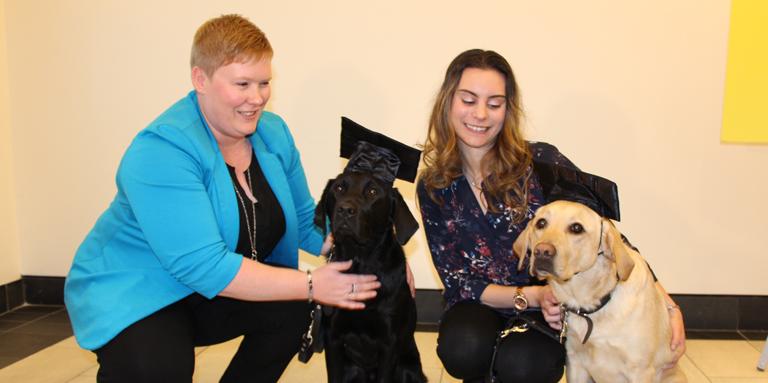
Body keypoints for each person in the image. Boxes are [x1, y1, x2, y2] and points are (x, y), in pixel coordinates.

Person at [64, 14, 381, 383]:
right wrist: (312, 283)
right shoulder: (162, 149)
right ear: (201, 79)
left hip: (208, 291)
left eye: (264, 83)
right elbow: (202, 265)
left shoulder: (273, 134)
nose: (257, 97)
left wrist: (374, 247)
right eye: (242, 84)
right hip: (138, 293)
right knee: (159, 369)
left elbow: (304, 219)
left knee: (294, 308)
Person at [416, 49, 686, 382]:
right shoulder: (434, 184)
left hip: (551, 308)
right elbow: (458, 281)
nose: (481, 114)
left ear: (507, 110)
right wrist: (530, 295)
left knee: (526, 363)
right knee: (463, 347)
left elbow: (604, 231)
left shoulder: (541, 160)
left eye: (495, 103)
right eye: (469, 100)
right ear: (448, 102)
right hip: (485, 303)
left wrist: (668, 306)